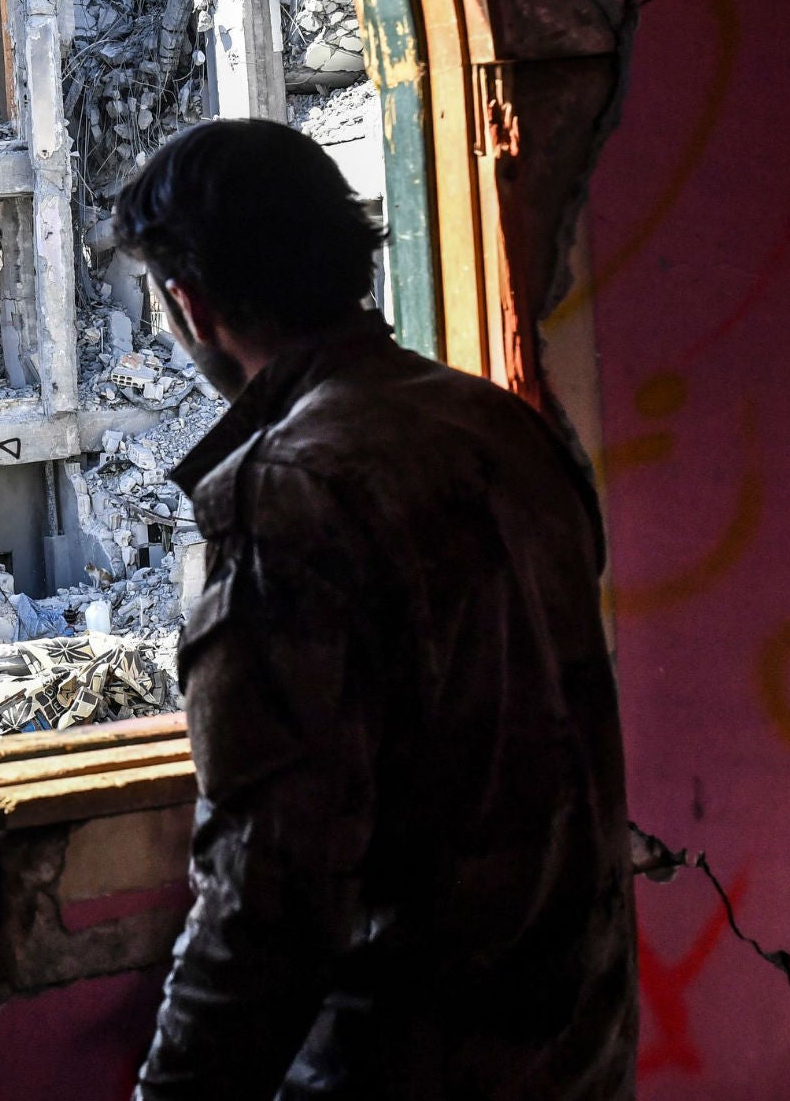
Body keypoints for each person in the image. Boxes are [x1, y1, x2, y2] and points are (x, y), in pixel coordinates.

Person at [116, 120, 636, 1100]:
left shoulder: (286, 493)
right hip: (577, 1045)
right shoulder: (497, 424)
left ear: (189, 304)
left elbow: (267, 898)